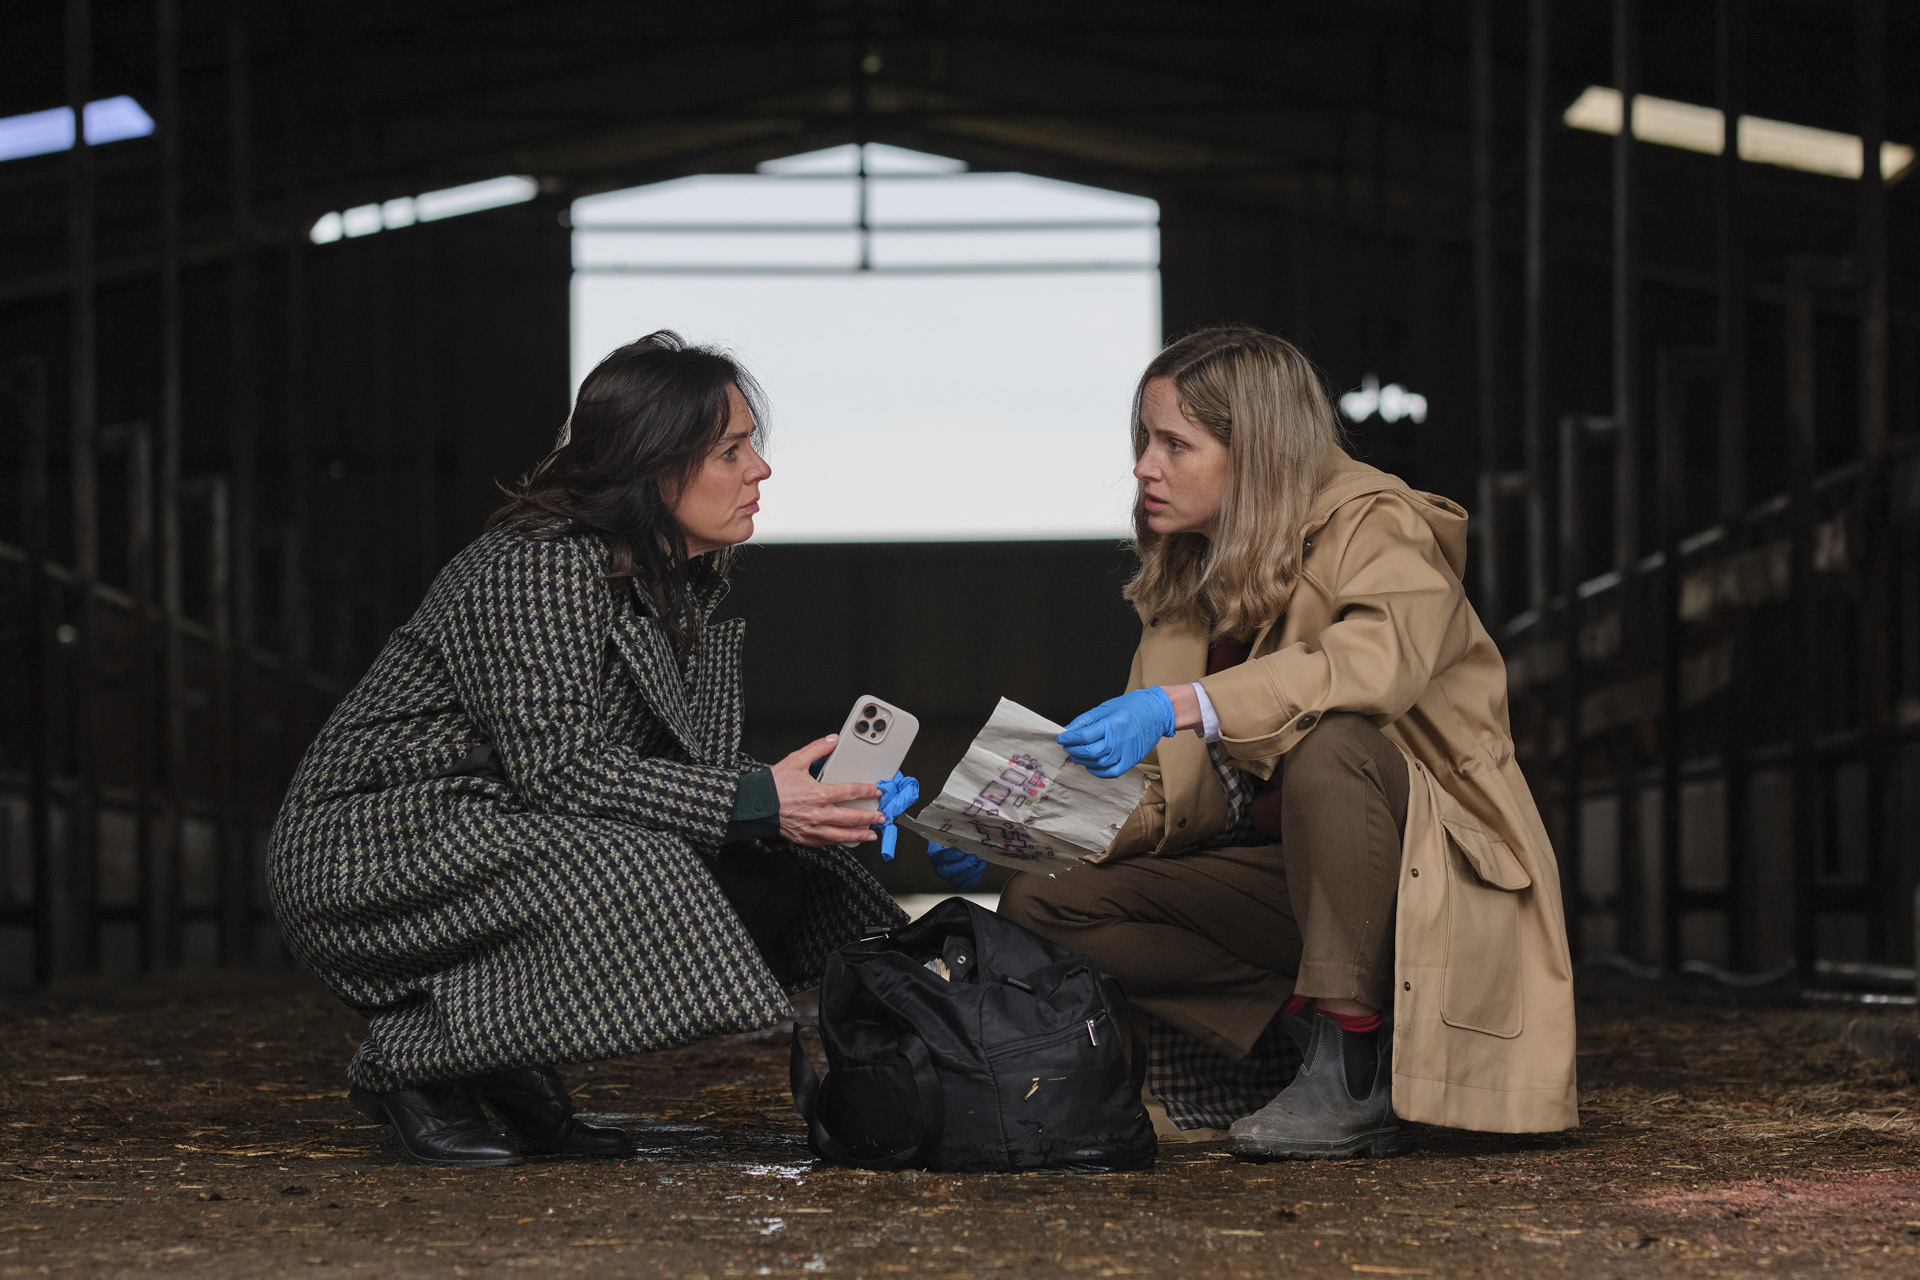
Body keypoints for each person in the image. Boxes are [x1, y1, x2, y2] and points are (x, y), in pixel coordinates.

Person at [267, 332, 912, 1167]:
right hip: (374, 840)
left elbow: (659, 768)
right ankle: (414, 1068)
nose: (760, 469)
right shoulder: (542, 564)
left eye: (752, 444)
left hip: (497, 825)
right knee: (654, 868)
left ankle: (494, 1055)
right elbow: (560, 765)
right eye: (731, 449)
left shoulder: (663, 581)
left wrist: (801, 791)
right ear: (653, 465)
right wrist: (755, 801)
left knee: (778, 873)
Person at [977, 325, 1576, 1158]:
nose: (1146, 467)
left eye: (1174, 444)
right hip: (1297, 889)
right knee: (1045, 904)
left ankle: (1353, 1059)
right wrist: (1030, 831)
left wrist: (1187, 702)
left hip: (1422, 883)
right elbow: (1165, 795)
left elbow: (1377, 663)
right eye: (1144, 441)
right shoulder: (1192, 583)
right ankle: (1317, 1025)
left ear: (1253, 454)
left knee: (1331, 744)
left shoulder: (1380, 527)